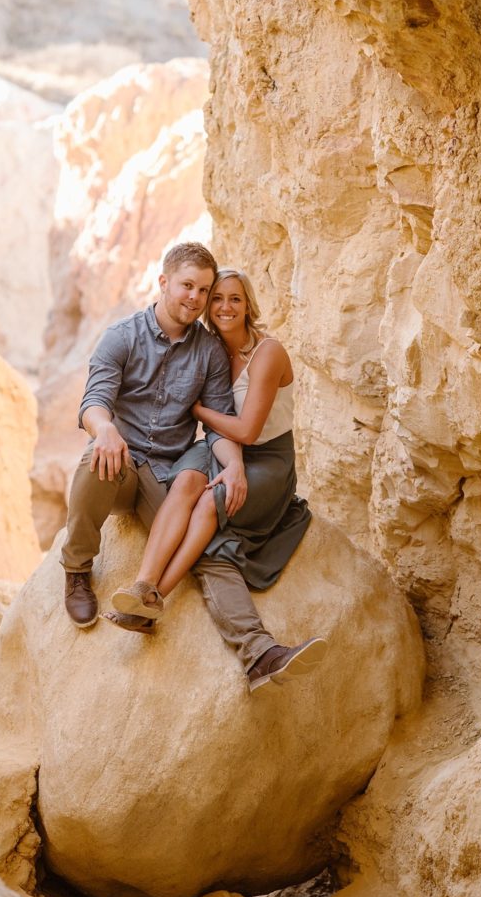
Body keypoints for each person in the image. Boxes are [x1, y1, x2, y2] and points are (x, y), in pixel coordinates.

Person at [61, 243, 326, 692]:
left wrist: (235, 467)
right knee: (95, 459)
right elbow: (95, 400)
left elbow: (223, 424)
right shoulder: (122, 336)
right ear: (164, 282)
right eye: (188, 286)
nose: (195, 298)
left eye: (204, 290)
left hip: (167, 471)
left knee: (208, 545)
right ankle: (76, 569)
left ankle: (259, 653)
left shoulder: (209, 352)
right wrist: (104, 428)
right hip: (124, 464)